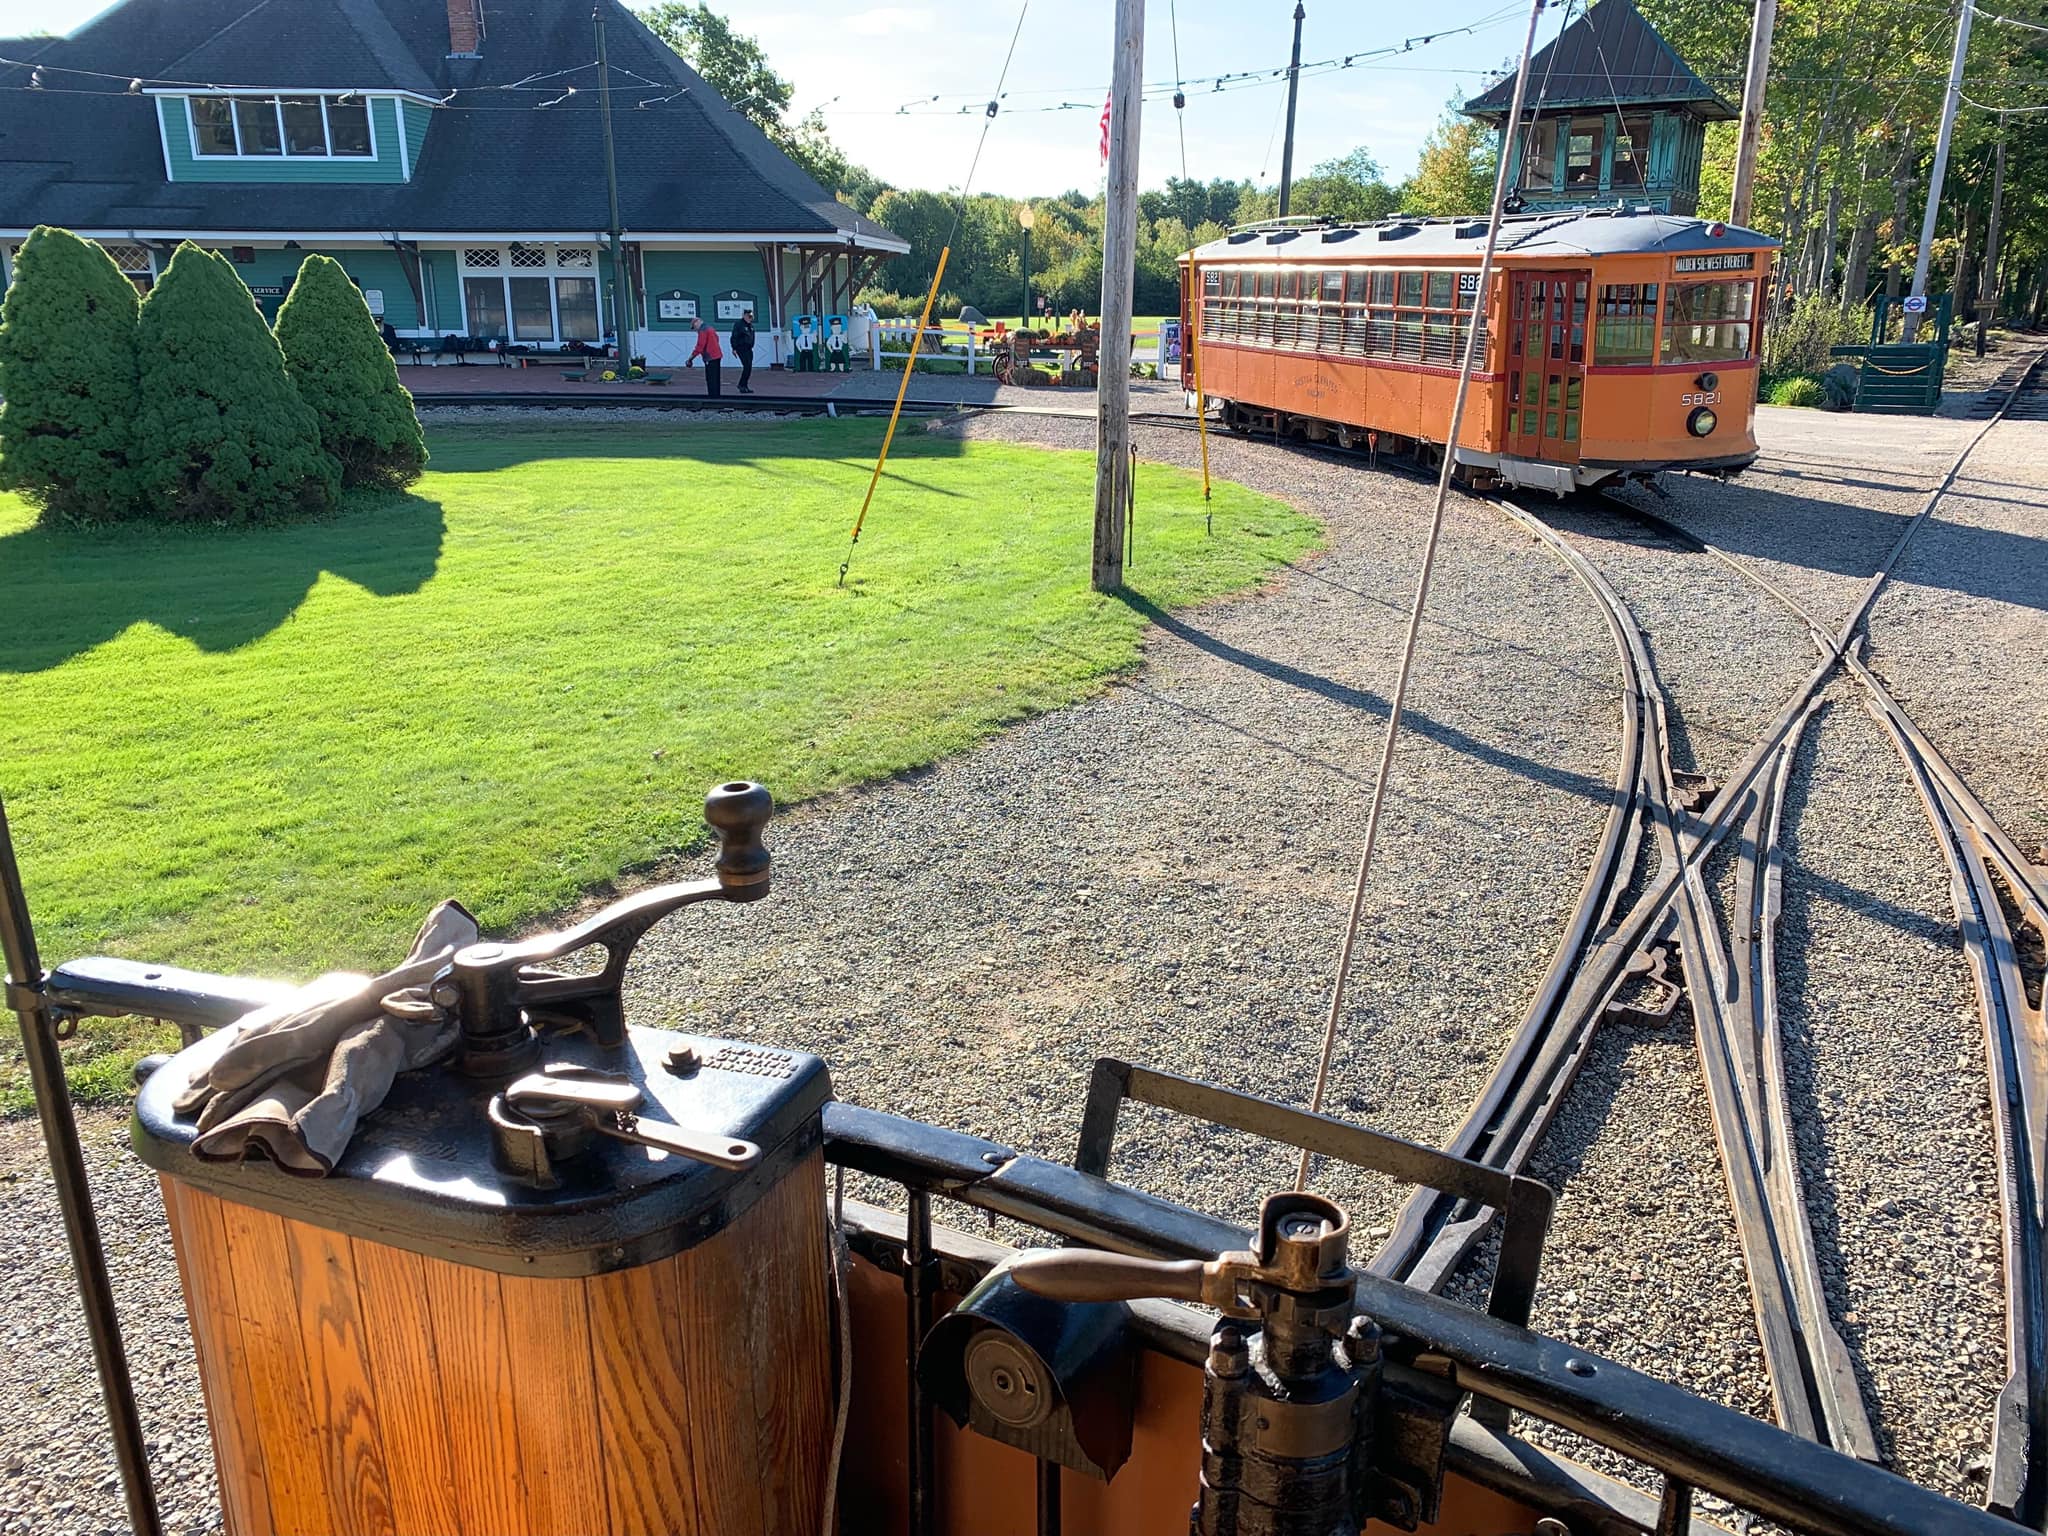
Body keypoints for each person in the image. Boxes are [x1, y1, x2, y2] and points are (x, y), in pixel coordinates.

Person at [688, 317, 724, 398]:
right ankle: (716, 396)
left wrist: (690, 358)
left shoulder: (703, 330)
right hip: (717, 355)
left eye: (694, 327)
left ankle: (712, 397)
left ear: (697, 322)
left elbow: (700, 346)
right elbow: (717, 338)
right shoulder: (710, 328)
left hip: (710, 357)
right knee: (716, 378)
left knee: (711, 379)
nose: (695, 329)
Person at [731, 308, 756, 394]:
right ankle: (741, 385)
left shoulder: (750, 326)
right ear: (744, 315)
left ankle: (744, 385)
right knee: (747, 366)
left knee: (749, 368)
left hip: (749, 348)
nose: (750, 318)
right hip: (741, 348)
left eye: (751, 317)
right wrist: (734, 348)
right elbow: (734, 337)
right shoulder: (739, 324)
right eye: (749, 316)